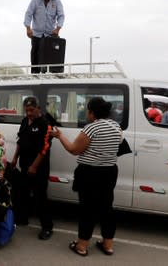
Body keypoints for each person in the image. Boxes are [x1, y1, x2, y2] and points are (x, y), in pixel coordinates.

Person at [50, 97, 122, 256]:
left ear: (92, 112)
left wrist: (59, 136)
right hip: (109, 171)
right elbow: (119, 146)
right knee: (106, 207)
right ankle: (108, 245)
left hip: (90, 173)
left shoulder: (92, 128)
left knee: (87, 209)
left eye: (87, 111)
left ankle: (81, 246)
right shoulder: (116, 126)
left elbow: (74, 149)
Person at [10, 96, 54, 240]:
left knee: (40, 197)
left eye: (31, 110)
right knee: (22, 193)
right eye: (26, 110)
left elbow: (44, 148)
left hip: (39, 167)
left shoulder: (45, 123)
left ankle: (47, 227)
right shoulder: (24, 121)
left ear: (38, 109)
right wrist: (15, 157)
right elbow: (20, 141)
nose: (29, 113)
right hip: (24, 164)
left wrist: (34, 166)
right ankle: (22, 218)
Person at [24, 0, 65, 73]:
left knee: (49, 55)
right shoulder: (35, 0)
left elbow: (61, 16)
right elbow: (28, 14)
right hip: (36, 34)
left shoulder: (57, 1)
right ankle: (35, 73)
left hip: (50, 35)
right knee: (35, 54)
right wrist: (28, 28)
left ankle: (48, 73)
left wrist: (58, 28)